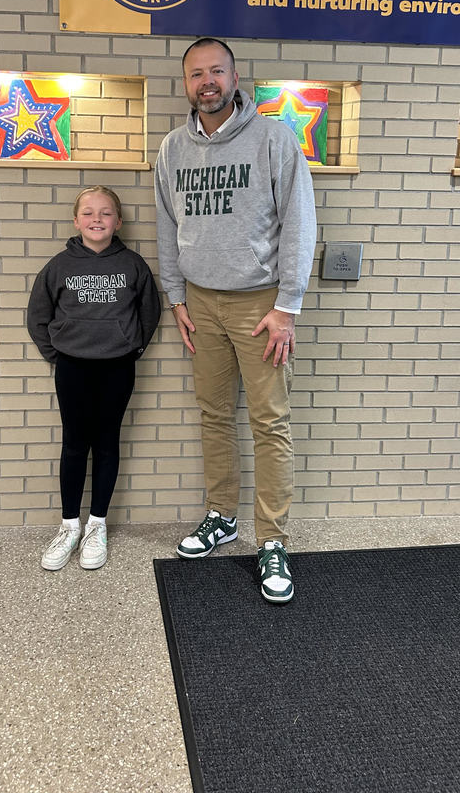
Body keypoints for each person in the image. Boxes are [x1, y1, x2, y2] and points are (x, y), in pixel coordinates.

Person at [154, 38, 317, 603]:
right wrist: (176, 297)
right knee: (214, 414)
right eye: (196, 73)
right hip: (200, 303)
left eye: (216, 71)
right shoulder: (172, 148)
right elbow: (166, 226)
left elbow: (299, 222)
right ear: (186, 83)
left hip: (260, 305)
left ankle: (272, 539)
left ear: (234, 76)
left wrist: (287, 306)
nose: (207, 82)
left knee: (270, 422)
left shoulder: (274, 138)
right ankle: (221, 515)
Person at [27, 186, 161, 572]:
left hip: (118, 366)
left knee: (106, 443)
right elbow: (37, 316)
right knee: (74, 444)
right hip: (72, 366)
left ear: (118, 222)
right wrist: (57, 354)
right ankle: (70, 526)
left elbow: (149, 312)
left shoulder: (133, 265)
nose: (96, 219)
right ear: (76, 221)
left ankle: (96, 525)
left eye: (105, 213)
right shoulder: (58, 266)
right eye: (88, 213)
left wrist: (131, 347)